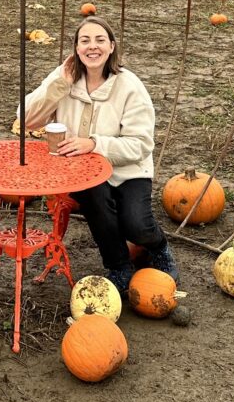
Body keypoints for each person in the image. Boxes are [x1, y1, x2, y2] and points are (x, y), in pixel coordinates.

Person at [21, 15, 178, 288]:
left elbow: (140, 145)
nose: (92, 47)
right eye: (85, 41)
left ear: (112, 46)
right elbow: (26, 119)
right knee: (95, 199)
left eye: (99, 40)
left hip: (128, 171)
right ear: (76, 49)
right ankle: (118, 266)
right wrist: (59, 85)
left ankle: (158, 246)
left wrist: (95, 144)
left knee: (135, 224)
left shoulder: (130, 86)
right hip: (82, 173)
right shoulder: (64, 78)